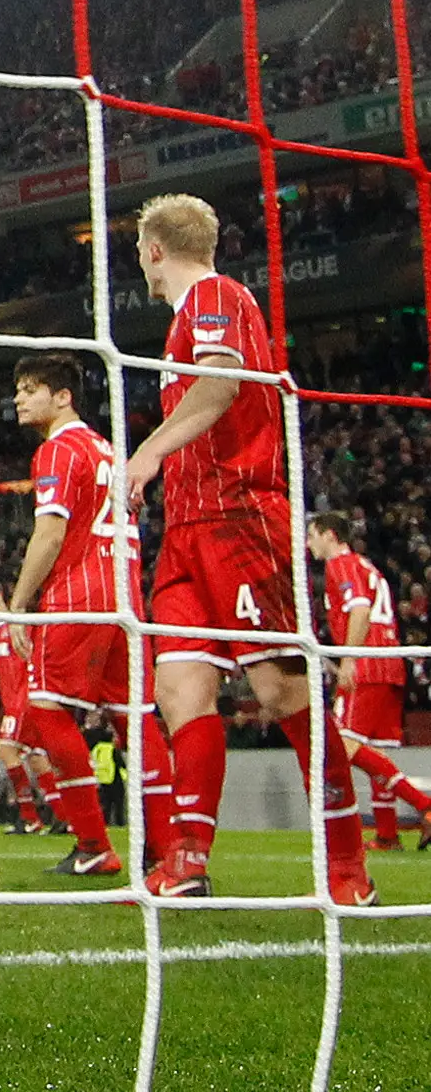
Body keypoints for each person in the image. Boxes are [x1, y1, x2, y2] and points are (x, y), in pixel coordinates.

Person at [113, 195, 370, 902]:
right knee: (180, 689)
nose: (139, 261)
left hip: (242, 519)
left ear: (156, 249)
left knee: (279, 689)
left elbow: (222, 384)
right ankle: (187, 860)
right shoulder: (179, 327)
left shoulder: (217, 296)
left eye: (139, 249)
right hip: (188, 531)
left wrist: (145, 457)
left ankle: (349, 868)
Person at [4, 353, 150, 879]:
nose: (18, 398)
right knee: (134, 720)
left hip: (79, 596)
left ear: (62, 396)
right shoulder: (107, 449)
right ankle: (169, 843)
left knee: (44, 711)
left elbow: (51, 532)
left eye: (29, 388)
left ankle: (93, 844)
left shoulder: (58, 450)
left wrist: (19, 605)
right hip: (126, 596)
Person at [308, 511, 431, 853]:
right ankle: (388, 836)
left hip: (367, 663)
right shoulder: (367, 566)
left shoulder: (341, 565)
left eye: (312, 535)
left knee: (343, 747)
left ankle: (424, 805)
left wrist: (349, 658)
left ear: (329, 535)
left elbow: (360, 610)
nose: (308, 543)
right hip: (391, 663)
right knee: (376, 753)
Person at [0, 578, 58, 835]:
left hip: (24, 700)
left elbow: (36, 658)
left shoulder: (19, 622)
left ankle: (30, 817)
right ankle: (64, 816)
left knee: (7, 751)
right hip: (12, 701)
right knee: (37, 757)